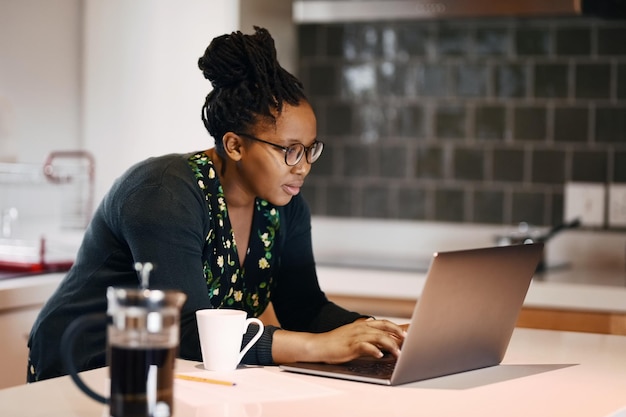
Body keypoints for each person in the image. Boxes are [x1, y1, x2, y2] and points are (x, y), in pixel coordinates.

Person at [27, 26, 406, 382]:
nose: (303, 167)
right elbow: (189, 330)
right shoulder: (164, 193)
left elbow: (304, 307)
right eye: (290, 151)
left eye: (309, 150)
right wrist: (318, 346)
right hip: (87, 367)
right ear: (235, 145)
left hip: (173, 372)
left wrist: (383, 333)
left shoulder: (285, 205)